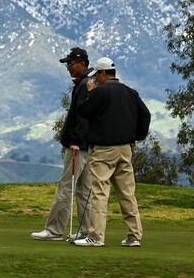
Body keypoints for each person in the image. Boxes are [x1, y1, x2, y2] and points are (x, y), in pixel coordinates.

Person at [74, 57, 150, 247]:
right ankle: (134, 236)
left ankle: (96, 237)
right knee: (127, 193)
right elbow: (145, 115)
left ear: (102, 73)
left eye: (97, 76)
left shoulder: (101, 92)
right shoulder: (130, 92)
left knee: (99, 192)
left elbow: (83, 110)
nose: (96, 80)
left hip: (104, 150)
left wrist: (88, 94)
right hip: (125, 149)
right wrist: (137, 136)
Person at [31, 47, 93, 241]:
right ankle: (86, 231)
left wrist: (75, 141)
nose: (68, 67)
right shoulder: (87, 82)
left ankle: (54, 230)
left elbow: (84, 116)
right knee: (84, 190)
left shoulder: (85, 84)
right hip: (88, 146)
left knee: (66, 187)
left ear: (82, 63)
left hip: (78, 147)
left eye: (70, 63)